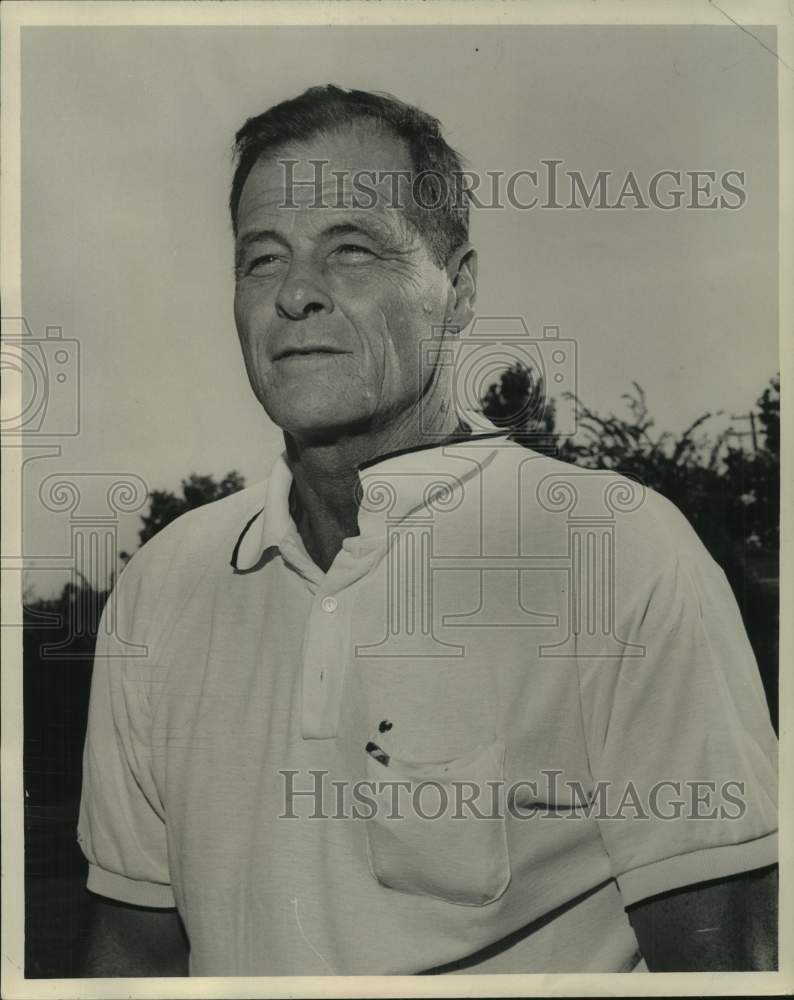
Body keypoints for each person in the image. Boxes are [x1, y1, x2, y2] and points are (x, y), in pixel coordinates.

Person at [78, 85, 778, 976]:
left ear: (458, 292)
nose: (295, 293)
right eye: (262, 259)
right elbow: (128, 958)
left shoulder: (617, 556)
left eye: (351, 251)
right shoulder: (161, 586)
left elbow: (733, 967)